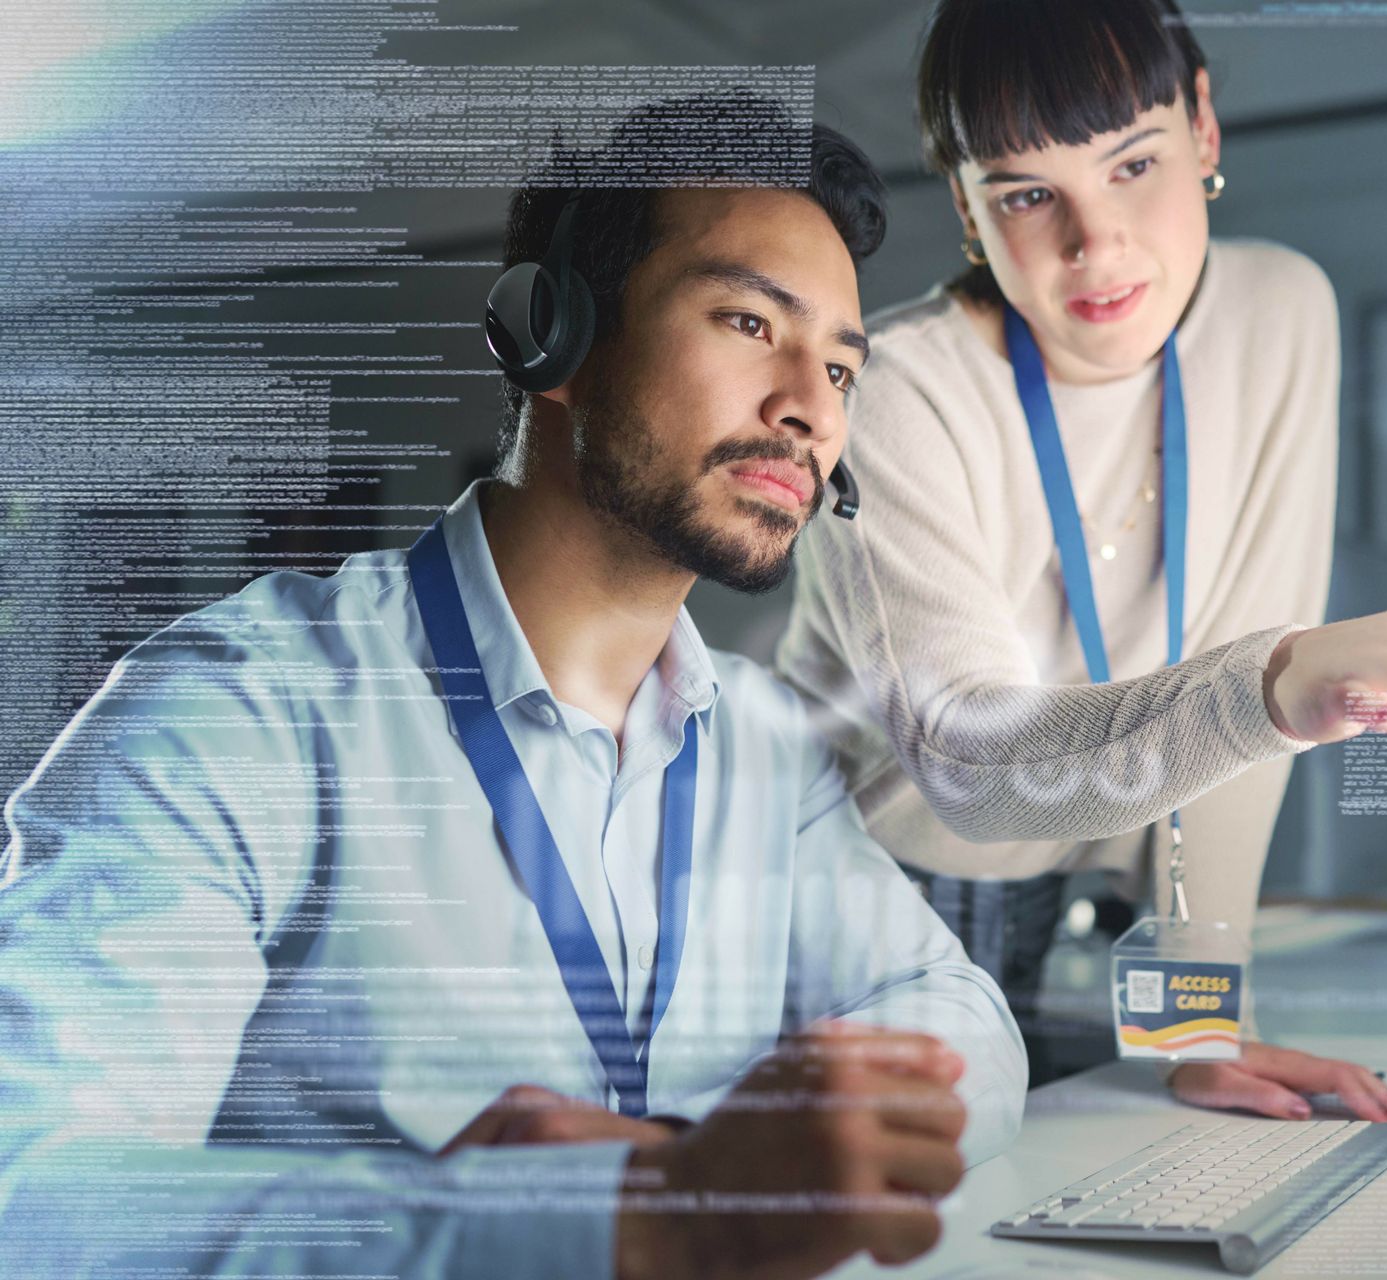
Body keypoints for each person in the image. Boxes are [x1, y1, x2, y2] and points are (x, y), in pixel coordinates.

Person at [0, 97, 1023, 1280]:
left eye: (842, 365)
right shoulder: (241, 713)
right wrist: (607, 1216)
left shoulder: (761, 744)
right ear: (554, 339)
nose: (814, 408)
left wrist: (691, 1170)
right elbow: (29, 1183)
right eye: (751, 321)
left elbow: (960, 1014)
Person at [777, 0, 1387, 1109]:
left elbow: (1237, 729)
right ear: (970, 209)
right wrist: (1276, 682)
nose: (1098, 244)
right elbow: (971, 761)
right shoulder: (892, 391)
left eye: (1134, 164)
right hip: (867, 889)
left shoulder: (1279, 315)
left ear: (1205, 127)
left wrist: (1200, 1027)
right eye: (1028, 193)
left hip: (1096, 860)